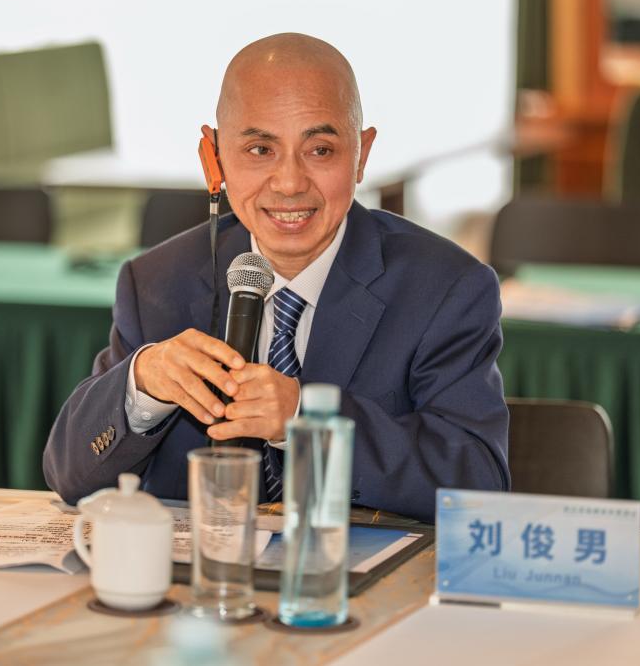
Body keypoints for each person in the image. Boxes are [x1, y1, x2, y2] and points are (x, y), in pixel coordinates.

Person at [43, 33, 509, 522]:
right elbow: (71, 476)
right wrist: (142, 384)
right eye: (260, 149)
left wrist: (306, 422)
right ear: (214, 158)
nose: (289, 184)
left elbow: (476, 482)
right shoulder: (157, 281)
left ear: (362, 154)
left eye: (321, 150)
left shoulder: (446, 288)